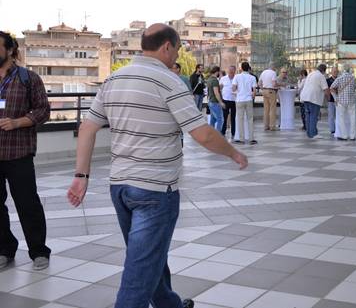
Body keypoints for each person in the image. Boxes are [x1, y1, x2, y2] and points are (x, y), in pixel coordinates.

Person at [67, 24, 248, 308]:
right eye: (176, 49)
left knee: (148, 256)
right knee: (139, 272)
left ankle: (169, 305)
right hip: (154, 190)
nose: (176, 56)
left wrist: (81, 175)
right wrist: (234, 153)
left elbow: (88, 127)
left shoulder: (115, 78)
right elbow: (201, 133)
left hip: (121, 188)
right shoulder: (168, 81)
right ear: (166, 47)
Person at [0, 32, 51, 271]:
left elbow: (43, 111)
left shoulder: (28, 78)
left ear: (10, 50)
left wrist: (18, 122)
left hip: (18, 152)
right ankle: (4, 249)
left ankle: (39, 251)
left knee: (27, 203)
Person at [300, 64, 329, 139]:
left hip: (305, 97)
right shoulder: (321, 76)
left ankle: (309, 133)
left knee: (308, 116)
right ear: (324, 70)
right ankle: (313, 134)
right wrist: (329, 98)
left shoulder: (311, 74)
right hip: (314, 99)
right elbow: (325, 89)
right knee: (313, 116)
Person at [232, 62, 257, 145]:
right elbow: (254, 91)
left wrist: (236, 91)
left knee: (240, 119)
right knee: (250, 119)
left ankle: (241, 139)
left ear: (241, 68)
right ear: (248, 68)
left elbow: (234, 88)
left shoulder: (237, 76)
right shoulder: (252, 77)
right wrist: (252, 96)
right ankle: (251, 138)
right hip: (248, 99)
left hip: (239, 99)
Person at [331, 65, 356, 141]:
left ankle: (344, 135)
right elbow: (354, 87)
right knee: (352, 118)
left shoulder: (339, 78)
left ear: (342, 71)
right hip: (351, 101)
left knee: (341, 118)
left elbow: (331, 88)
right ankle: (352, 136)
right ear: (349, 70)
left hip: (341, 101)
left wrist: (335, 97)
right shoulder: (353, 78)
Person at [259, 63, 278, 131]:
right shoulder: (273, 73)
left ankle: (266, 126)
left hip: (264, 91)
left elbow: (259, 83)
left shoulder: (263, 72)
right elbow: (274, 84)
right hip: (271, 91)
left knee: (266, 109)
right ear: (273, 67)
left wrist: (263, 89)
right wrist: (277, 86)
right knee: (272, 109)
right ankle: (272, 126)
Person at [206, 66, 225, 132]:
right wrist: (221, 102)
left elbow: (210, 91)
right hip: (215, 102)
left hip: (210, 101)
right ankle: (218, 135)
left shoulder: (209, 79)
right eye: (219, 72)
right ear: (217, 72)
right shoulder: (215, 80)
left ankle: (211, 134)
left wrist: (220, 87)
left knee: (213, 120)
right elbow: (216, 93)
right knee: (220, 120)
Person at [220, 65, 237, 139]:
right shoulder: (223, 78)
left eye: (232, 70)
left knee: (233, 118)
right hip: (225, 100)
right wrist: (220, 100)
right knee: (224, 117)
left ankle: (233, 133)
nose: (231, 71)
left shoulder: (237, 78)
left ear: (234, 71)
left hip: (234, 100)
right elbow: (219, 89)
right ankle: (223, 132)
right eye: (230, 70)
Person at [326, 67, 338, 135]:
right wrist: (328, 97)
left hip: (338, 101)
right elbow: (327, 90)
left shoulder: (340, 79)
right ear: (331, 72)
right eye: (334, 71)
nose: (335, 73)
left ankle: (338, 129)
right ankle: (332, 130)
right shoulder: (328, 80)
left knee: (338, 116)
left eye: (336, 71)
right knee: (331, 116)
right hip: (331, 100)